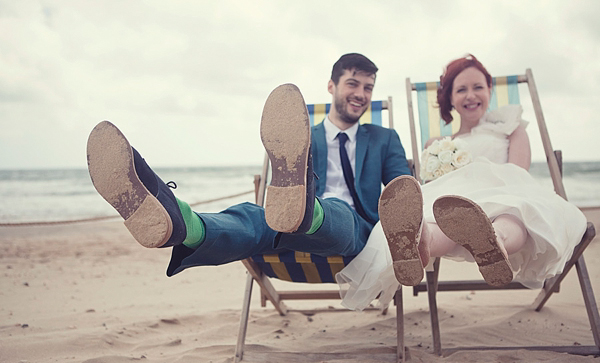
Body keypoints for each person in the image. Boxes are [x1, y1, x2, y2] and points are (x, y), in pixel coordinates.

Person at [86, 53, 412, 278]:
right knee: (258, 217)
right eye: (353, 83)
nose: (361, 94)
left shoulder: (383, 138)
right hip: (285, 236)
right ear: (332, 85)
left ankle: (306, 211)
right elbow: (276, 198)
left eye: (368, 88)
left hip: (357, 237)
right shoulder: (300, 135)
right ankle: (181, 223)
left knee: (335, 214)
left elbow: (405, 193)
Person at [337, 54, 587, 310]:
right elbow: (435, 182)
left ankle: (494, 243)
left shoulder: (511, 128)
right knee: (445, 216)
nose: (470, 95)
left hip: (506, 191)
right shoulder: (436, 144)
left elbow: (518, 173)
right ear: (450, 98)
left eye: (478, 87)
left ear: (490, 90)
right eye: (461, 90)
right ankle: (421, 241)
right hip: (456, 206)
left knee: (515, 211)